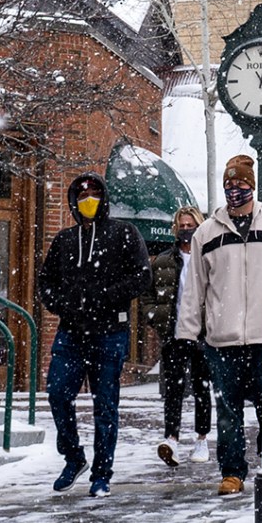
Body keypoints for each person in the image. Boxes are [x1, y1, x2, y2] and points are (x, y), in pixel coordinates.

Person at [176, 154, 262, 496]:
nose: (235, 191)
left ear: (252, 188)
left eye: (241, 185)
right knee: (227, 412)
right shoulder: (206, 233)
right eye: (229, 186)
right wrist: (186, 333)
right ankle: (232, 471)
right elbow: (194, 288)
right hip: (221, 339)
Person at [38, 172, 152, 498]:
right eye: (82, 193)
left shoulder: (124, 234)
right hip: (71, 333)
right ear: (74, 201)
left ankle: (102, 473)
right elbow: (46, 283)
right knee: (58, 393)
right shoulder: (64, 240)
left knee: (105, 406)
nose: (88, 198)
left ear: (104, 198)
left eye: (94, 193)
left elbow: (141, 277)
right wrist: (65, 305)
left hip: (109, 333)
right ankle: (74, 458)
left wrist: (105, 296)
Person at [139, 205, 213, 467]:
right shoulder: (163, 261)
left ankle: (201, 438)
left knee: (203, 387)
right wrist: (155, 318)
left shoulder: (208, 257)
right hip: (174, 332)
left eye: (189, 224)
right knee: (174, 388)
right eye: (181, 225)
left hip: (203, 333)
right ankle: (171, 438)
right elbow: (147, 294)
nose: (185, 229)